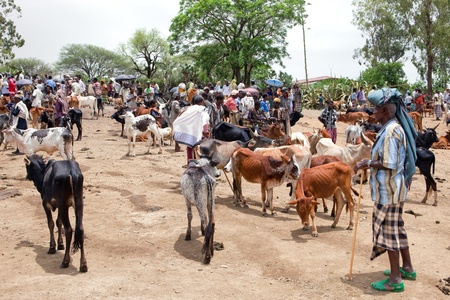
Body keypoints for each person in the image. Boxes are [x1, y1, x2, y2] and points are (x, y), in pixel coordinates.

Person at [354, 88, 417, 293]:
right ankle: (406, 267)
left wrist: (368, 163)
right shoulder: (394, 127)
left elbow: (389, 163)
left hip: (388, 191)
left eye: (376, 110)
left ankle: (395, 279)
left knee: (389, 232)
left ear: (385, 110)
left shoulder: (390, 131)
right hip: (395, 189)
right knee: (397, 227)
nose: (373, 113)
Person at [173, 95, 210, 166]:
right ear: (201, 102)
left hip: (191, 134)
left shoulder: (188, 109)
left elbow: (181, 118)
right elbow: (205, 121)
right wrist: (206, 131)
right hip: (200, 134)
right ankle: (201, 164)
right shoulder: (202, 109)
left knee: (190, 148)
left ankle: (190, 163)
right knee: (202, 150)